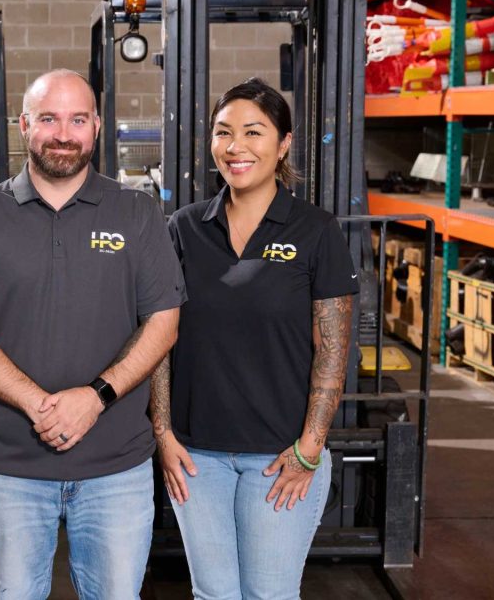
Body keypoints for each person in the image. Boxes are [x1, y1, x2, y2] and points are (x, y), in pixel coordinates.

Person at [0, 69, 185, 599]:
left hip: (116, 467)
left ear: (96, 127)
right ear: (25, 125)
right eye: (48, 119)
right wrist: (40, 405)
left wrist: (94, 399)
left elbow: (163, 324)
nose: (63, 134)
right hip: (10, 469)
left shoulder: (137, 213)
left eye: (77, 120)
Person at [152, 78, 358, 599]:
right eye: (223, 132)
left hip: (280, 456)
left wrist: (310, 447)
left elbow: (332, 351)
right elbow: (158, 338)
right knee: (214, 595)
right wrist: (164, 434)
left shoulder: (316, 230)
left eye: (253, 132)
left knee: (269, 595)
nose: (235, 146)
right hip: (197, 457)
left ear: (283, 143)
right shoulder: (184, 228)